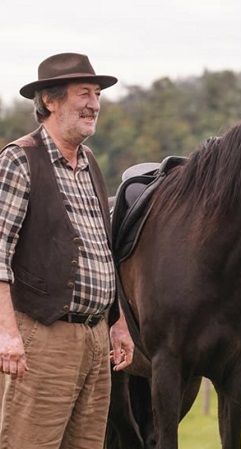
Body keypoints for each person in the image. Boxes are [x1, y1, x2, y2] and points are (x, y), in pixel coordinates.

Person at [0, 52, 134, 449]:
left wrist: (119, 322)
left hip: (95, 338)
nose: (94, 104)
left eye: (97, 95)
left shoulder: (89, 162)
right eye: (84, 94)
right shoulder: (20, 159)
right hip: (43, 337)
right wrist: (6, 334)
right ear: (50, 100)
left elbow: (103, 250)